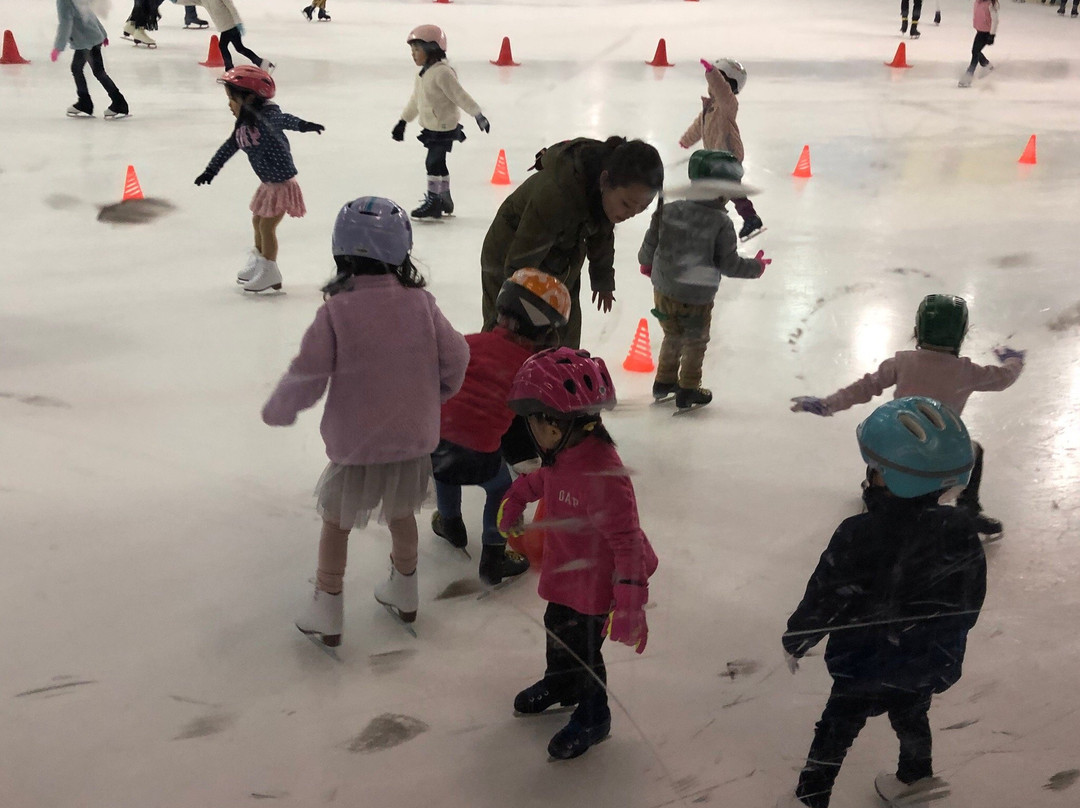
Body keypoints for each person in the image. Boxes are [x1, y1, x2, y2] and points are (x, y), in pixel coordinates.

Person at [262, 197, 470, 647]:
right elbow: (457, 356)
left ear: (341, 253)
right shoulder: (422, 304)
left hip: (357, 444)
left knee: (336, 523)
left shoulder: (337, 311)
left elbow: (309, 371)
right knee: (401, 514)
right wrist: (437, 396)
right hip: (413, 440)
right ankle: (406, 589)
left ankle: (328, 604)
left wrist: (282, 405)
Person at [777, 397, 987, 808]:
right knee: (911, 715)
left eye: (874, 469)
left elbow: (827, 593)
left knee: (836, 728)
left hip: (865, 664)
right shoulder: (961, 530)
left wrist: (798, 636)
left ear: (888, 478)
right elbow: (971, 601)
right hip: (927, 660)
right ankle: (914, 778)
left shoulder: (858, 533)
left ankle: (811, 797)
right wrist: (939, 639)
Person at [497, 347, 658, 760]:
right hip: (566, 573)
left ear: (558, 424)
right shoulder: (565, 453)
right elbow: (544, 481)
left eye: (534, 422)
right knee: (557, 630)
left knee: (584, 652)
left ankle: (593, 716)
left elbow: (628, 542)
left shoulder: (604, 475)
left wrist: (629, 605)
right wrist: (515, 500)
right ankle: (561, 683)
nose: (531, 430)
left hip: (594, 586)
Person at [790, 294, 1024, 540]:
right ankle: (968, 510)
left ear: (917, 330)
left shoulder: (902, 362)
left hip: (897, 450)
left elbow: (865, 387)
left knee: (881, 442)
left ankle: (876, 494)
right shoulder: (967, 371)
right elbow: (1003, 378)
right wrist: (1014, 361)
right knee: (974, 451)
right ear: (962, 335)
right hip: (940, 457)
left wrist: (826, 404)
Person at [432, 269, 570, 585]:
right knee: (500, 489)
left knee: (445, 469)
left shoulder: (467, 343)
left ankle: (450, 523)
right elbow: (527, 425)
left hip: (434, 448)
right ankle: (493, 557)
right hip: (479, 457)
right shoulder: (531, 371)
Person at [481, 137, 663, 348]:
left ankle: (559, 373)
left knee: (564, 332)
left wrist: (602, 280)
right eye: (627, 204)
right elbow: (520, 260)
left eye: (642, 208)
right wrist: (516, 302)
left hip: (563, 256)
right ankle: (494, 373)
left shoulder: (606, 198)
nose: (631, 214)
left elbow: (602, 234)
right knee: (510, 332)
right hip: (510, 250)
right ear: (605, 181)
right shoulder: (557, 194)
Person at [638, 150, 770, 411]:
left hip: (663, 290)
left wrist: (647, 264)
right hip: (696, 297)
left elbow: (649, 245)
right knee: (695, 342)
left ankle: (663, 382)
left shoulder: (669, 209)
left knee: (672, 335)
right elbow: (729, 265)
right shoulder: (720, 222)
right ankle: (688, 388)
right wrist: (756, 267)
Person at [194, 66, 324, 292]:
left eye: (232, 99)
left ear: (250, 98)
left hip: (282, 183)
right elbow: (228, 148)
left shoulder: (268, 118)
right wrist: (210, 171)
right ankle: (260, 262)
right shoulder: (244, 126)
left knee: (266, 226)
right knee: (257, 221)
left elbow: (285, 120)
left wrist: (305, 126)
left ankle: (270, 270)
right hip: (268, 183)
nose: (229, 105)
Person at [391, 24, 489, 220]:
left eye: (417, 49)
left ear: (432, 49)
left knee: (432, 162)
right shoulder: (423, 74)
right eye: (412, 50)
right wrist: (403, 121)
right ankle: (444, 198)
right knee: (439, 163)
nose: (413, 54)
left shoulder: (442, 73)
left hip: (443, 127)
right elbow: (415, 101)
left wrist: (478, 115)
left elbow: (460, 96)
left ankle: (434, 201)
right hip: (432, 126)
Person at [678, 58, 765, 242]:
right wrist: (687, 140)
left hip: (728, 156)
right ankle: (720, 219)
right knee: (725, 191)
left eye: (720, 79)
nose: (713, 84)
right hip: (714, 158)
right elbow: (698, 127)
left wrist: (711, 72)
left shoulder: (728, 105)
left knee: (729, 190)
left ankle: (748, 219)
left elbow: (722, 89)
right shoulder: (710, 108)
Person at [52, 0, 130, 120]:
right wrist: (103, 34)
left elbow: (65, 23)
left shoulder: (64, 2)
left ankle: (116, 102)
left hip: (86, 41)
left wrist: (58, 47)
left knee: (93, 71)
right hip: (93, 37)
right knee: (80, 69)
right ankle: (87, 102)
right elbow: (91, 15)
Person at [179, 0, 272, 72]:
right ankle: (262, 63)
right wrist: (176, 1)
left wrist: (238, 22)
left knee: (224, 47)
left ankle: (230, 68)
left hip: (230, 26)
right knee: (239, 48)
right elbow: (190, 1)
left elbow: (232, 8)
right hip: (224, 27)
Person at [959, 0, 998, 87]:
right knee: (976, 51)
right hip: (980, 30)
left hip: (986, 33)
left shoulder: (990, 4)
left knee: (975, 52)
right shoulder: (977, 2)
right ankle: (987, 64)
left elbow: (995, 20)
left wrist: (992, 35)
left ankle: (968, 76)